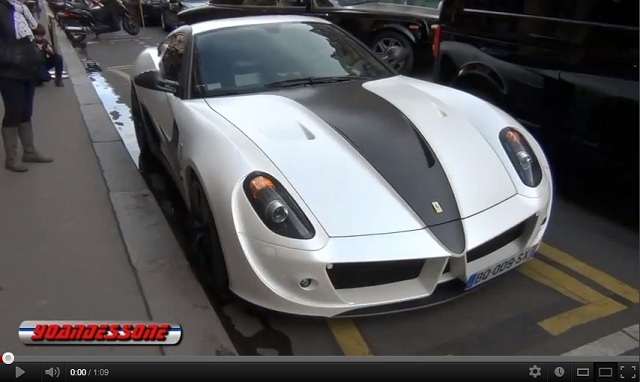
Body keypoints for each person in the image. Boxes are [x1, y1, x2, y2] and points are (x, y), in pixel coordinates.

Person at [0, 0, 52, 172]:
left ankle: (29, 151)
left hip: (27, 66)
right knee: (13, 112)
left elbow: (36, 31)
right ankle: (11, 159)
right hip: (9, 70)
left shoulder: (21, 9)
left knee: (25, 111)